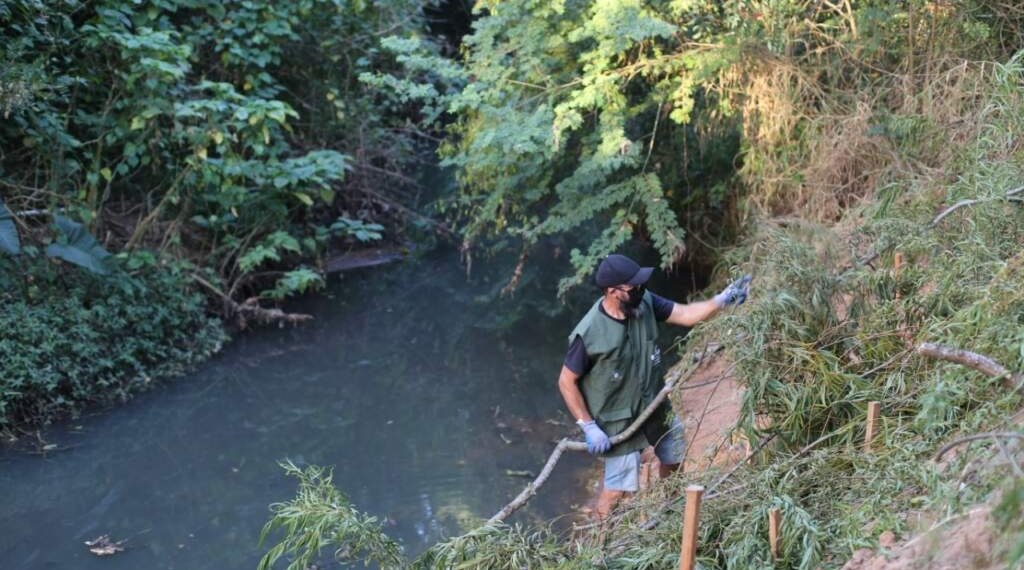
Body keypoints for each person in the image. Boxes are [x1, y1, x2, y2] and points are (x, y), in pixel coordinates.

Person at [557, 253, 751, 519]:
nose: (641, 290)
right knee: (617, 490)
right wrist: (588, 426)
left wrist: (720, 300)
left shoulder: (645, 302)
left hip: (655, 404)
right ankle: (598, 543)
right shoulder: (590, 333)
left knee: (673, 458)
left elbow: (684, 314)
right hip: (618, 419)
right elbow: (566, 382)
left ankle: (667, 514)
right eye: (633, 287)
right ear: (613, 292)